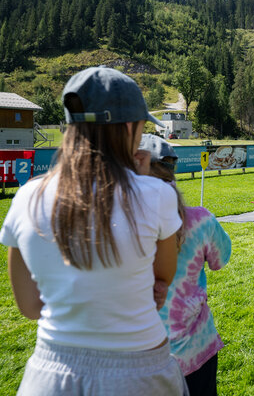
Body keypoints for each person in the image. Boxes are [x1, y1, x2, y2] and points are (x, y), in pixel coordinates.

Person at [0, 67, 187, 395]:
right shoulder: (157, 194)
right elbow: (162, 279)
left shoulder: (27, 196)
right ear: (129, 127)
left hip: (50, 376)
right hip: (141, 372)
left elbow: (29, 308)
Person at [137, 135, 232, 396]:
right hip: (196, 351)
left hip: (141, 359)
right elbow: (221, 259)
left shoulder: (120, 226)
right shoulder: (201, 220)